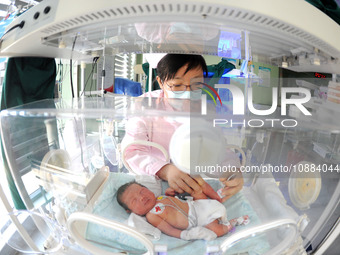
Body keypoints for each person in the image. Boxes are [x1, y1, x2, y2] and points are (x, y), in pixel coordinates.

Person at [122, 54, 244, 202]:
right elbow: (132, 152)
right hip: (150, 187)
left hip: (195, 184)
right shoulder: (144, 105)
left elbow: (220, 149)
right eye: (177, 86)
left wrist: (231, 170)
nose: (188, 93)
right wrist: (165, 170)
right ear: (161, 82)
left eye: (196, 85)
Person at [117, 181, 249, 240]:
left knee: (196, 188)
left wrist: (170, 194)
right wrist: (183, 235)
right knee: (215, 230)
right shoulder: (152, 216)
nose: (141, 197)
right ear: (130, 211)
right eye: (134, 201)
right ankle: (232, 223)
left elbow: (175, 203)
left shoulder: (159, 197)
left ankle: (219, 194)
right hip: (197, 221)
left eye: (142, 190)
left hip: (197, 206)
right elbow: (168, 229)